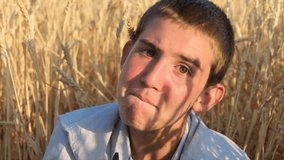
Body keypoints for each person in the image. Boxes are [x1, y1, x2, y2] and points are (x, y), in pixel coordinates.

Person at [44, 0, 249, 159]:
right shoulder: (74, 137)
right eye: (149, 52)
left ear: (206, 97)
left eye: (183, 69)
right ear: (126, 55)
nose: (151, 78)